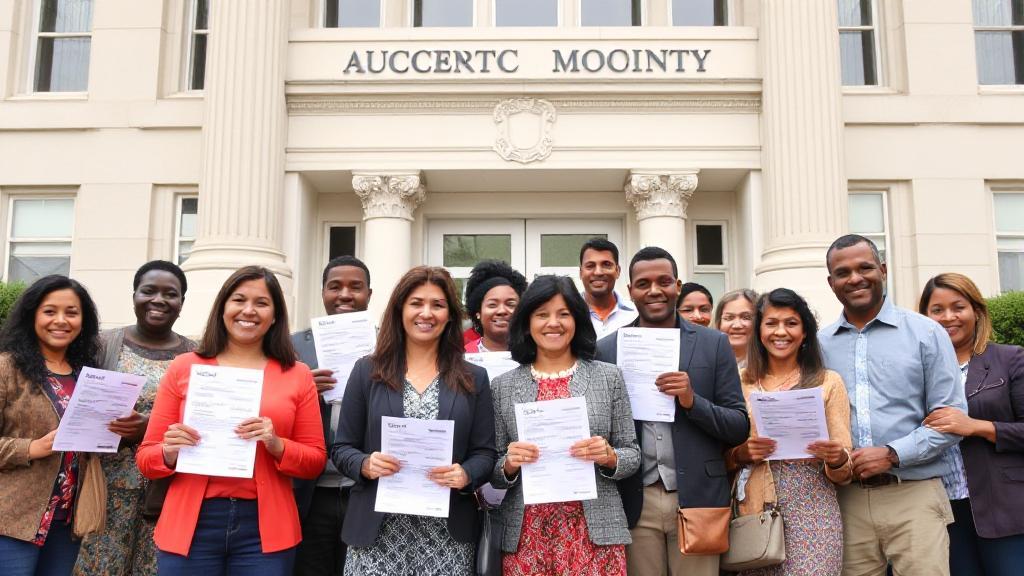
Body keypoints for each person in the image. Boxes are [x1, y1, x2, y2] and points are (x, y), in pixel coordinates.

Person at [136, 266, 326, 575]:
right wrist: (169, 452)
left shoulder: (298, 375)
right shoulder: (184, 367)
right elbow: (146, 458)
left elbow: (314, 461)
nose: (248, 311)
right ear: (223, 306)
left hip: (264, 528)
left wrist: (277, 445)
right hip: (191, 522)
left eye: (262, 303)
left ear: (275, 315)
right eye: (239, 300)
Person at [332, 266, 496, 574]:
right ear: (400, 310)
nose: (427, 313)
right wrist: (365, 464)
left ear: (450, 315)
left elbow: (486, 453)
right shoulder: (367, 372)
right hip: (377, 536)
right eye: (416, 303)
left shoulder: (474, 377)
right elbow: (342, 448)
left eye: (437, 304)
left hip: (447, 537)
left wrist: (465, 474)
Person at [818, 234, 967, 576]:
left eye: (865, 267)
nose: (855, 278)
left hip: (914, 493)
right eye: (843, 272)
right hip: (845, 500)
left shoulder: (926, 333)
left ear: (883, 270)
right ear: (831, 283)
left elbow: (951, 419)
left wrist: (892, 453)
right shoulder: (819, 344)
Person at [594, 247, 748, 576]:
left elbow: (738, 427)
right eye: (643, 283)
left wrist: (694, 401)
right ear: (630, 290)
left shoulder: (713, 344)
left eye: (664, 281)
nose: (654, 291)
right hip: (635, 497)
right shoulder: (606, 350)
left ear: (677, 286)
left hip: (697, 496)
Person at [491, 274, 640, 576]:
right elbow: (490, 467)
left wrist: (610, 457)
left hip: (594, 532)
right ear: (527, 322)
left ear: (577, 320)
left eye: (564, 314)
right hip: (527, 534)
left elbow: (633, 453)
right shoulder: (502, 386)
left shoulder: (608, 377)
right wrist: (508, 463)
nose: (553, 324)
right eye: (542, 315)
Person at [74, 261, 196, 576]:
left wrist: (149, 428)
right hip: (107, 486)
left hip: (166, 488)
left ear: (182, 303)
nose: (159, 300)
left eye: (171, 294)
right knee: (98, 566)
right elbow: (75, 407)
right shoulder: (100, 345)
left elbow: (201, 417)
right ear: (134, 296)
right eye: (149, 291)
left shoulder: (196, 356)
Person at [725, 288, 853, 576]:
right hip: (754, 508)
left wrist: (836, 458)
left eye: (791, 323)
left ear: (805, 332)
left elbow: (845, 466)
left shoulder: (828, 382)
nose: (780, 332)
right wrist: (741, 453)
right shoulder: (738, 381)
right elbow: (717, 456)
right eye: (771, 323)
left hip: (813, 508)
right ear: (758, 330)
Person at [919, 273, 1024, 576]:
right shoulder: (920, 373)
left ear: (976, 312)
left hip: (1004, 507)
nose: (948, 317)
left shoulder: (1010, 359)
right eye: (937, 310)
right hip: (944, 510)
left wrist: (976, 426)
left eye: (958, 307)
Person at [0, 275, 104, 576]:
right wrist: (31, 448)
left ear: (83, 321)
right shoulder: (7, 367)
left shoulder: (88, 375)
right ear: (32, 315)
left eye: (71, 312)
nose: (61, 320)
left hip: (66, 520)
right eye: (49, 311)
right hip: (12, 518)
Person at [292, 256, 372, 576]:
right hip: (312, 492)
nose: (345, 295)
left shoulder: (388, 344)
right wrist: (301, 388)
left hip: (363, 487)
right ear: (323, 292)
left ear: (369, 293)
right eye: (334, 287)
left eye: (356, 287)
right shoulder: (294, 345)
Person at [578, 237, 638, 340]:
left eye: (606, 265)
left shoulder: (635, 313)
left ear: (618, 271)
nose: (598, 272)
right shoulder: (568, 313)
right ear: (580, 272)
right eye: (590, 266)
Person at [463, 259, 528, 353]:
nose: (501, 311)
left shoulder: (535, 356)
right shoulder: (461, 357)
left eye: (510, 304)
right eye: (492, 305)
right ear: (478, 311)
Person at [714, 288, 758, 369]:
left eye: (746, 317)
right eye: (729, 318)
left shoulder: (773, 365)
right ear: (719, 323)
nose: (737, 325)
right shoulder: (704, 362)